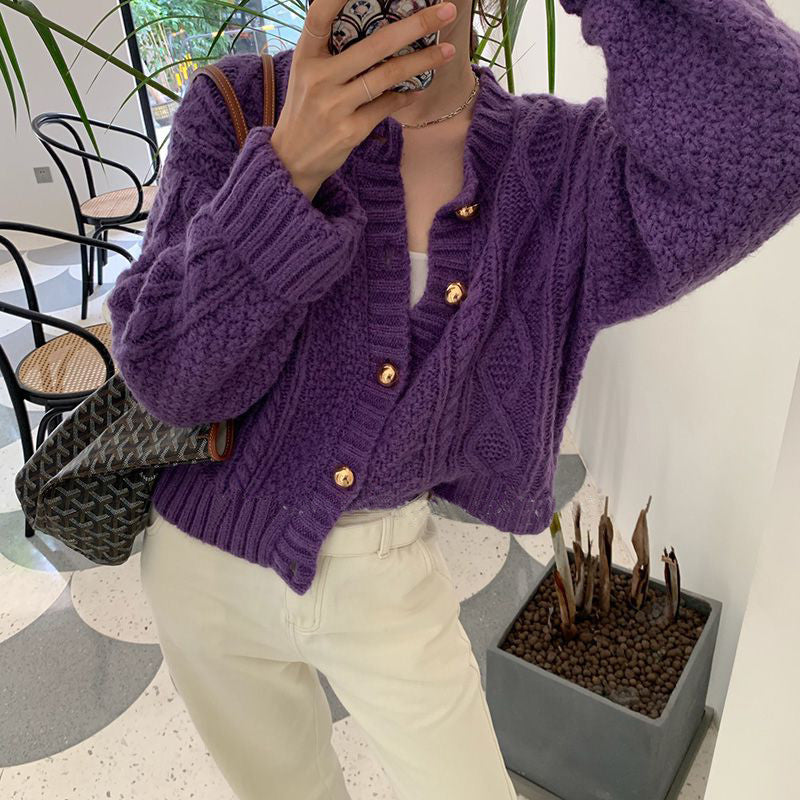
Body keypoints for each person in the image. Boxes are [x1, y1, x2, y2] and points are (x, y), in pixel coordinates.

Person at [106, 0, 800, 798]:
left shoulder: (558, 168)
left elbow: (774, 133)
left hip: (386, 569)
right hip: (202, 562)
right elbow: (168, 377)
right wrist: (287, 170)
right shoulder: (237, 108)